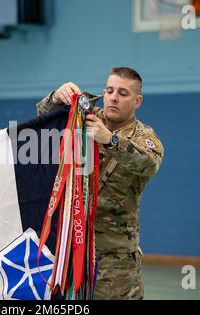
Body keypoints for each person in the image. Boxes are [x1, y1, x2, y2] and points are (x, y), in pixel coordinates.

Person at [36, 67, 164, 300]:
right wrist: (56, 97)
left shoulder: (143, 136)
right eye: (110, 90)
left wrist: (110, 140)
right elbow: (43, 115)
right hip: (70, 250)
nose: (114, 97)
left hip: (115, 261)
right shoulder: (83, 118)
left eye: (123, 93)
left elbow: (148, 163)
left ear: (137, 101)